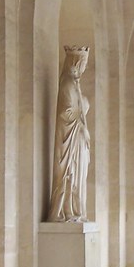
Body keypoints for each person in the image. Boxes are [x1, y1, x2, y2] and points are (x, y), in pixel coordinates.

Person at [48, 46, 91, 221]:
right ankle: (66, 211)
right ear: (75, 63)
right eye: (83, 64)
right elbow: (65, 113)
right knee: (70, 176)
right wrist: (83, 107)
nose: (84, 69)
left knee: (79, 178)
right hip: (70, 141)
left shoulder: (75, 85)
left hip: (78, 140)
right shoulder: (67, 84)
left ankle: (76, 211)